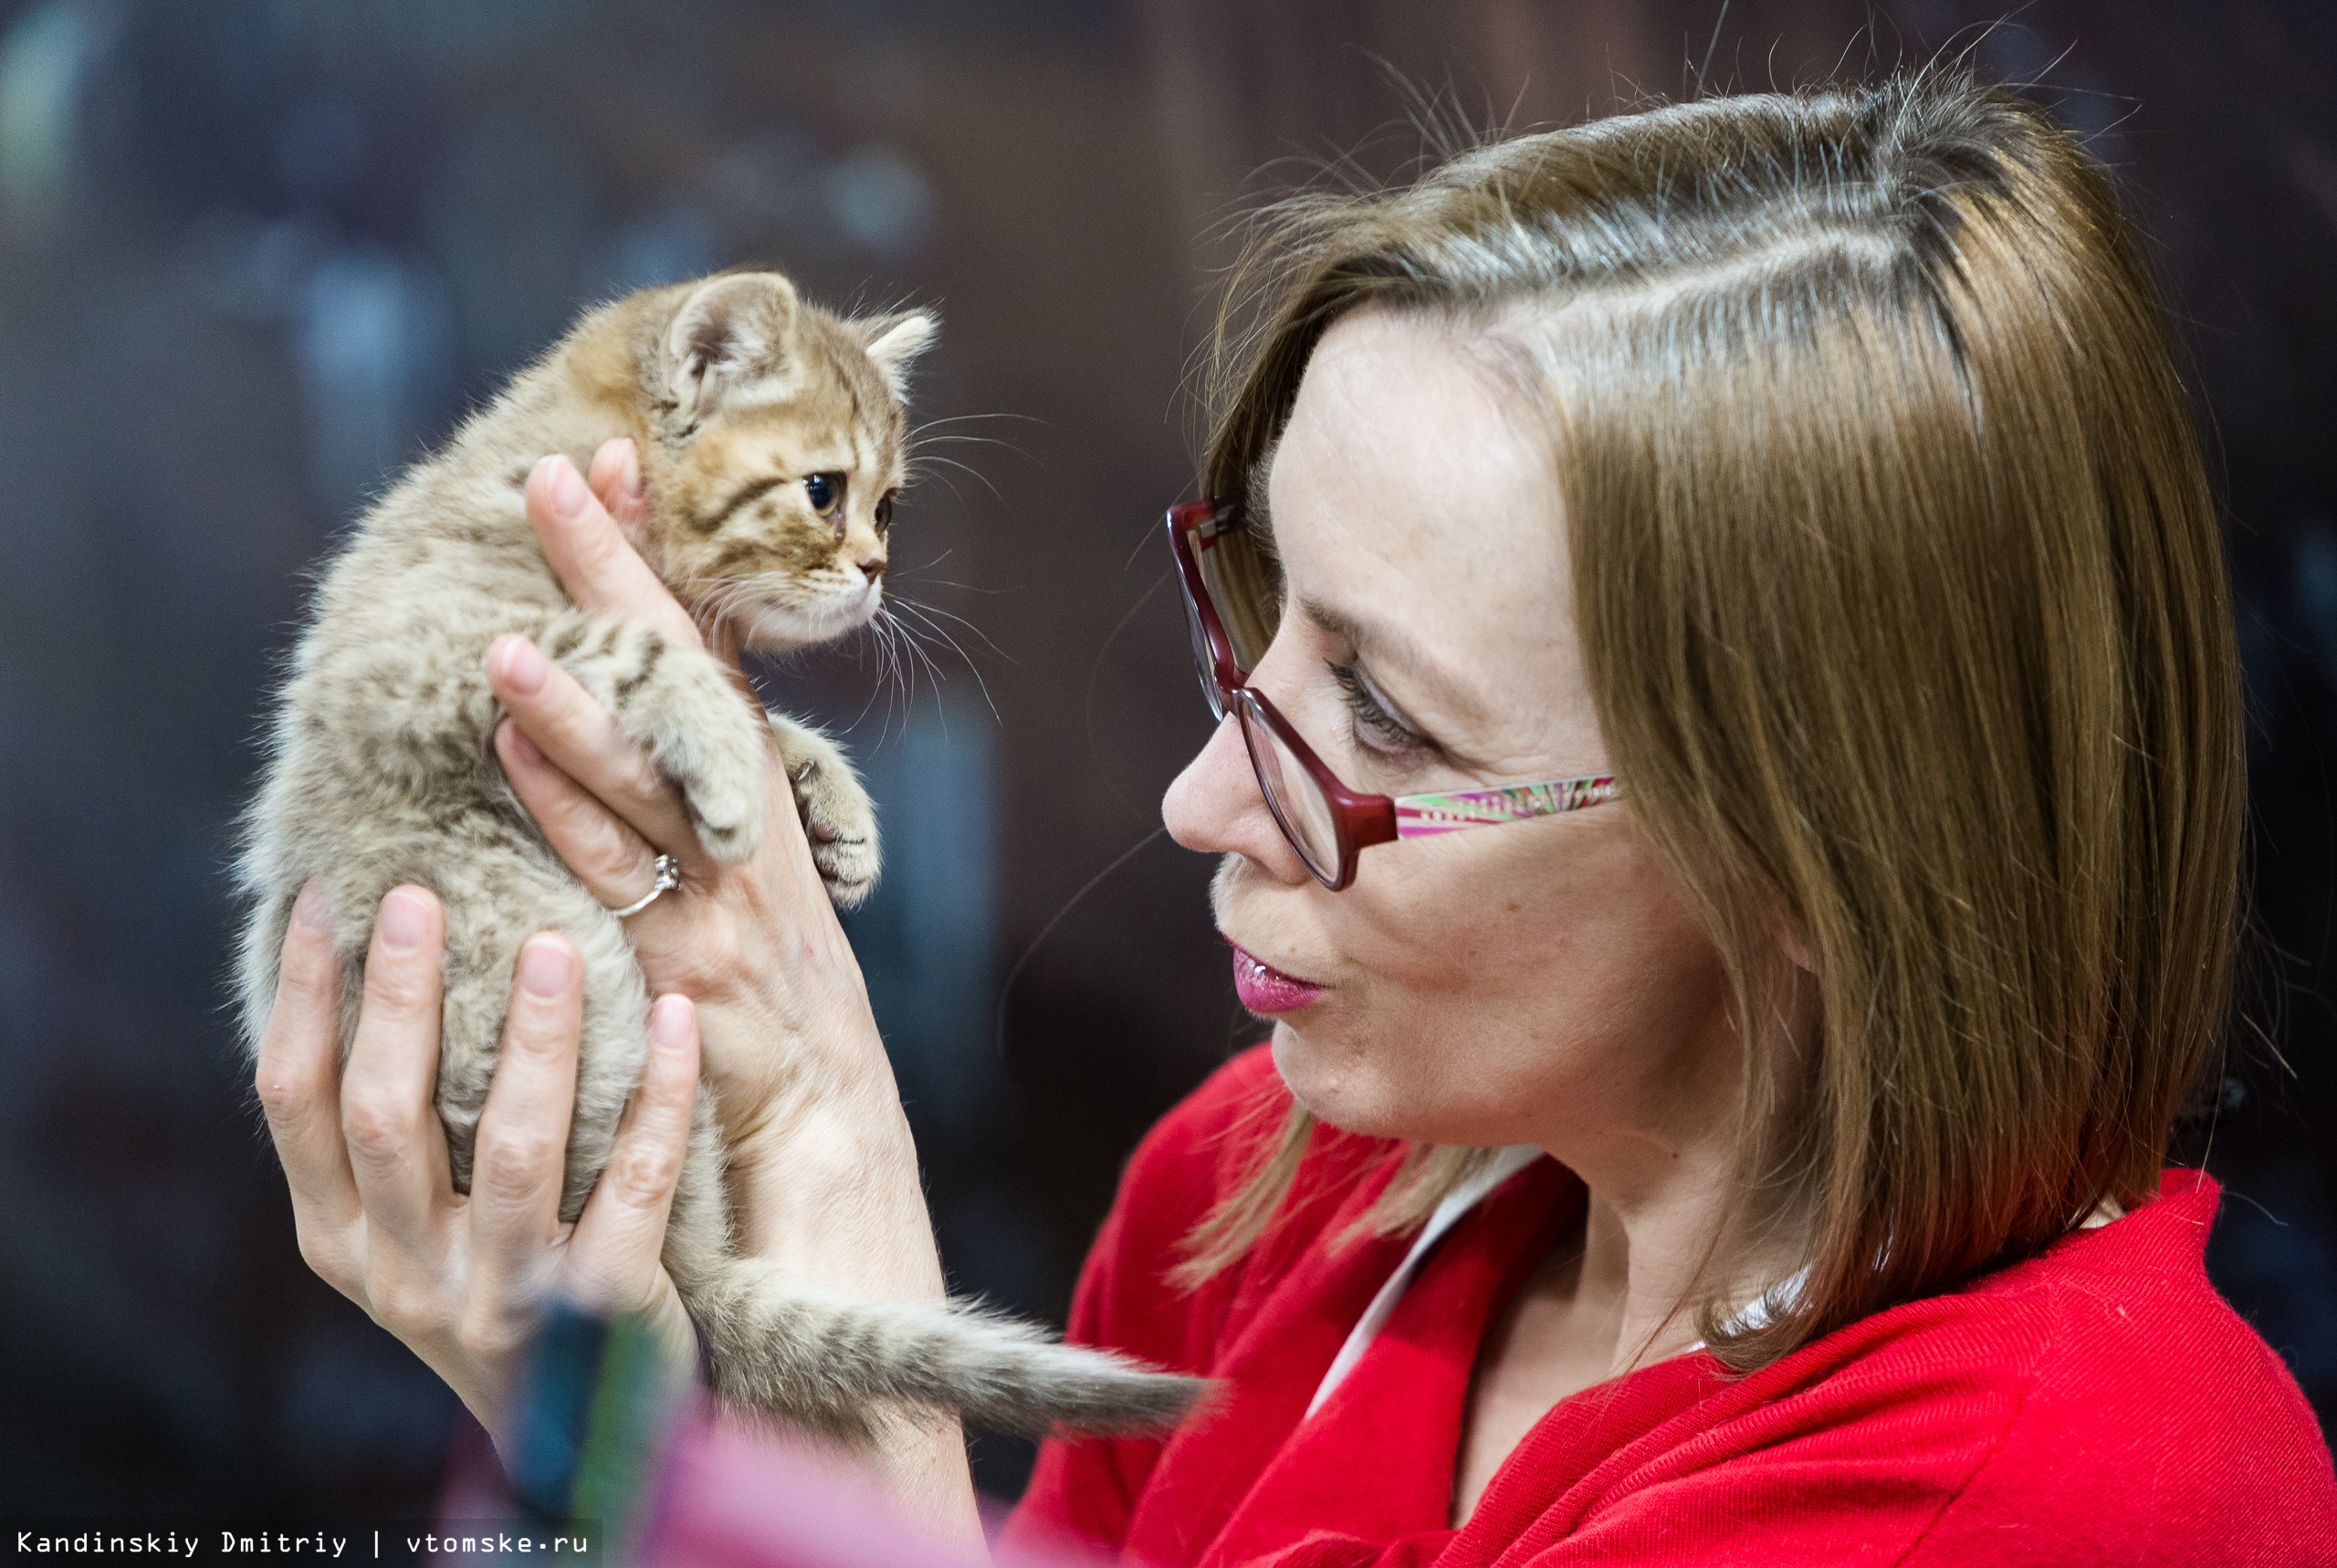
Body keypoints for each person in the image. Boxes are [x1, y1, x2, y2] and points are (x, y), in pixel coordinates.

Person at [252, 69, 2337, 1563]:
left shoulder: (2055, 1500)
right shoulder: (1274, 1177)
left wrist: (615, 1432)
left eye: (1389, 721)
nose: (1191, 799)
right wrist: (792, 1168)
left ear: (1814, 852)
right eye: (1249, 626)